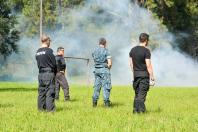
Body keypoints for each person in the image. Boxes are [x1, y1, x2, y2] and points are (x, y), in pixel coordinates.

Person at [129, 33, 155, 113]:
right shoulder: (146, 51)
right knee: (141, 95)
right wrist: (152, 76)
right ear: (146, 41)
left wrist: (134, 74)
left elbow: (131, 64)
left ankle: (135, 110)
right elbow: (148, 65)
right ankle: (142, 111)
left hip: (136, 75)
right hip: (144, 76)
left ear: (140, 39)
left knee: (137, 94)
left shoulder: (132, 50)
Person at [35, 34, 56, 112]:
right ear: (47, 41)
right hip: (48, 73)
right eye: (49, 41)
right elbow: (54, 64)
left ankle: (41, 110)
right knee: (50, 92)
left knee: (41, 93)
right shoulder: (49, 51)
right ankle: (50, 111)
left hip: (40, 74)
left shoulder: (37, 52)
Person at [92, 38, 112, 107]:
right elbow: (109, 63)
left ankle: (94, 103)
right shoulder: (106, 51)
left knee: (97, 86)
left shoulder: (94, 51)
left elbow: (94, 61)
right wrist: (108, 69)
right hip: (104, 70)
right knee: (106, 86)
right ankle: (106, 103)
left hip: (96, 70)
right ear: (105, 43)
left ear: (99, 43)